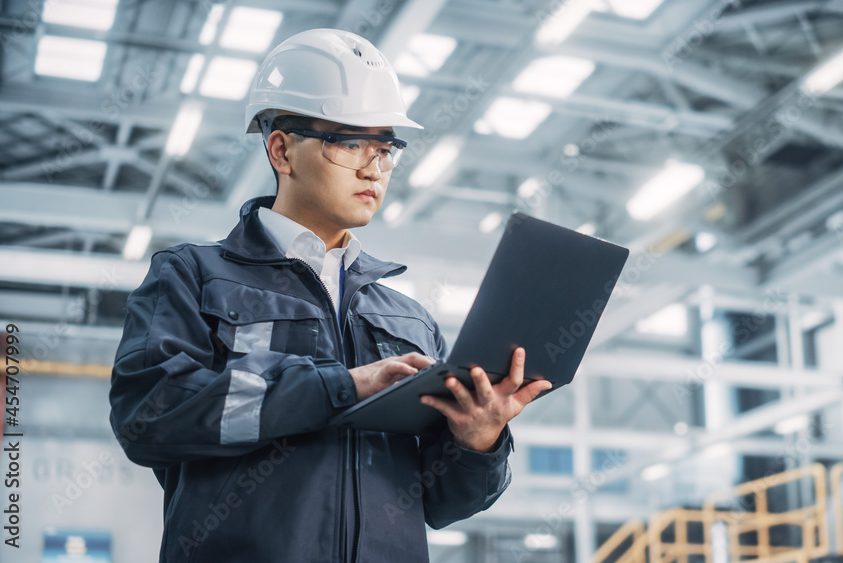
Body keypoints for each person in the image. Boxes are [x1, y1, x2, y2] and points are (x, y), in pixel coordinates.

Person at [108, 28, 551, 562]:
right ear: (281, 150)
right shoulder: (192, 277)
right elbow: (149, 415)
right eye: (349, 143)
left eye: (386, 149)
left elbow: (440, 504)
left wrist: (478, 440)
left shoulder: (408, 319)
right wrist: (340, 388)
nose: (373, 168)